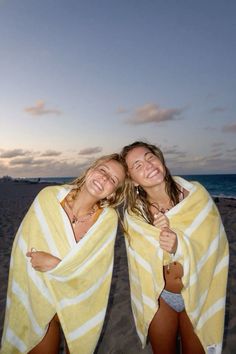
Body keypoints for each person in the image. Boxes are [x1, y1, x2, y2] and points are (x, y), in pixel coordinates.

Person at [1, 153, 126, 354]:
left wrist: (56, 265)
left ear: (113, 193)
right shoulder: (48, 197)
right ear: (89, 171)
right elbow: (23, 248)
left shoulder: (108, 220)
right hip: (41, 298)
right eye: (103, 170)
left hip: (80, 304)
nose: (104, 178)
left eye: (113, 180)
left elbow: (98, 272)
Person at [120, 141, 229, 354]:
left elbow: (215, 246)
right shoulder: (134, 215)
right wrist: (160, 240)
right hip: (160, 296)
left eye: (149, 157)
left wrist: (179, 244)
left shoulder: (196, 195)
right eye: (137, 165)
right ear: (132, 180)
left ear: (159, 158)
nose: (148, 165)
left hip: (199, 290)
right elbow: (138, 262)